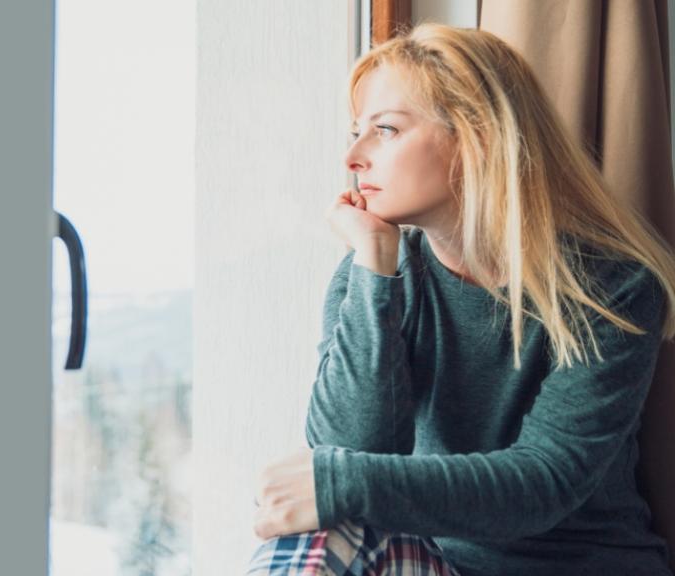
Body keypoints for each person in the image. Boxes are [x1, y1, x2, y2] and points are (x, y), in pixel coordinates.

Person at [245, 23, 675, 576]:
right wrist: (376, 263)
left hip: (581, 566)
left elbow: (546, 480)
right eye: (356, 131)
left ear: (476, 135)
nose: (353, 156)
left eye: (385, 130)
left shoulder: (613, 284)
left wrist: (336, 481)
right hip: (442, 565)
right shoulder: (371, 272)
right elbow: (352, 447)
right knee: (322, 534)